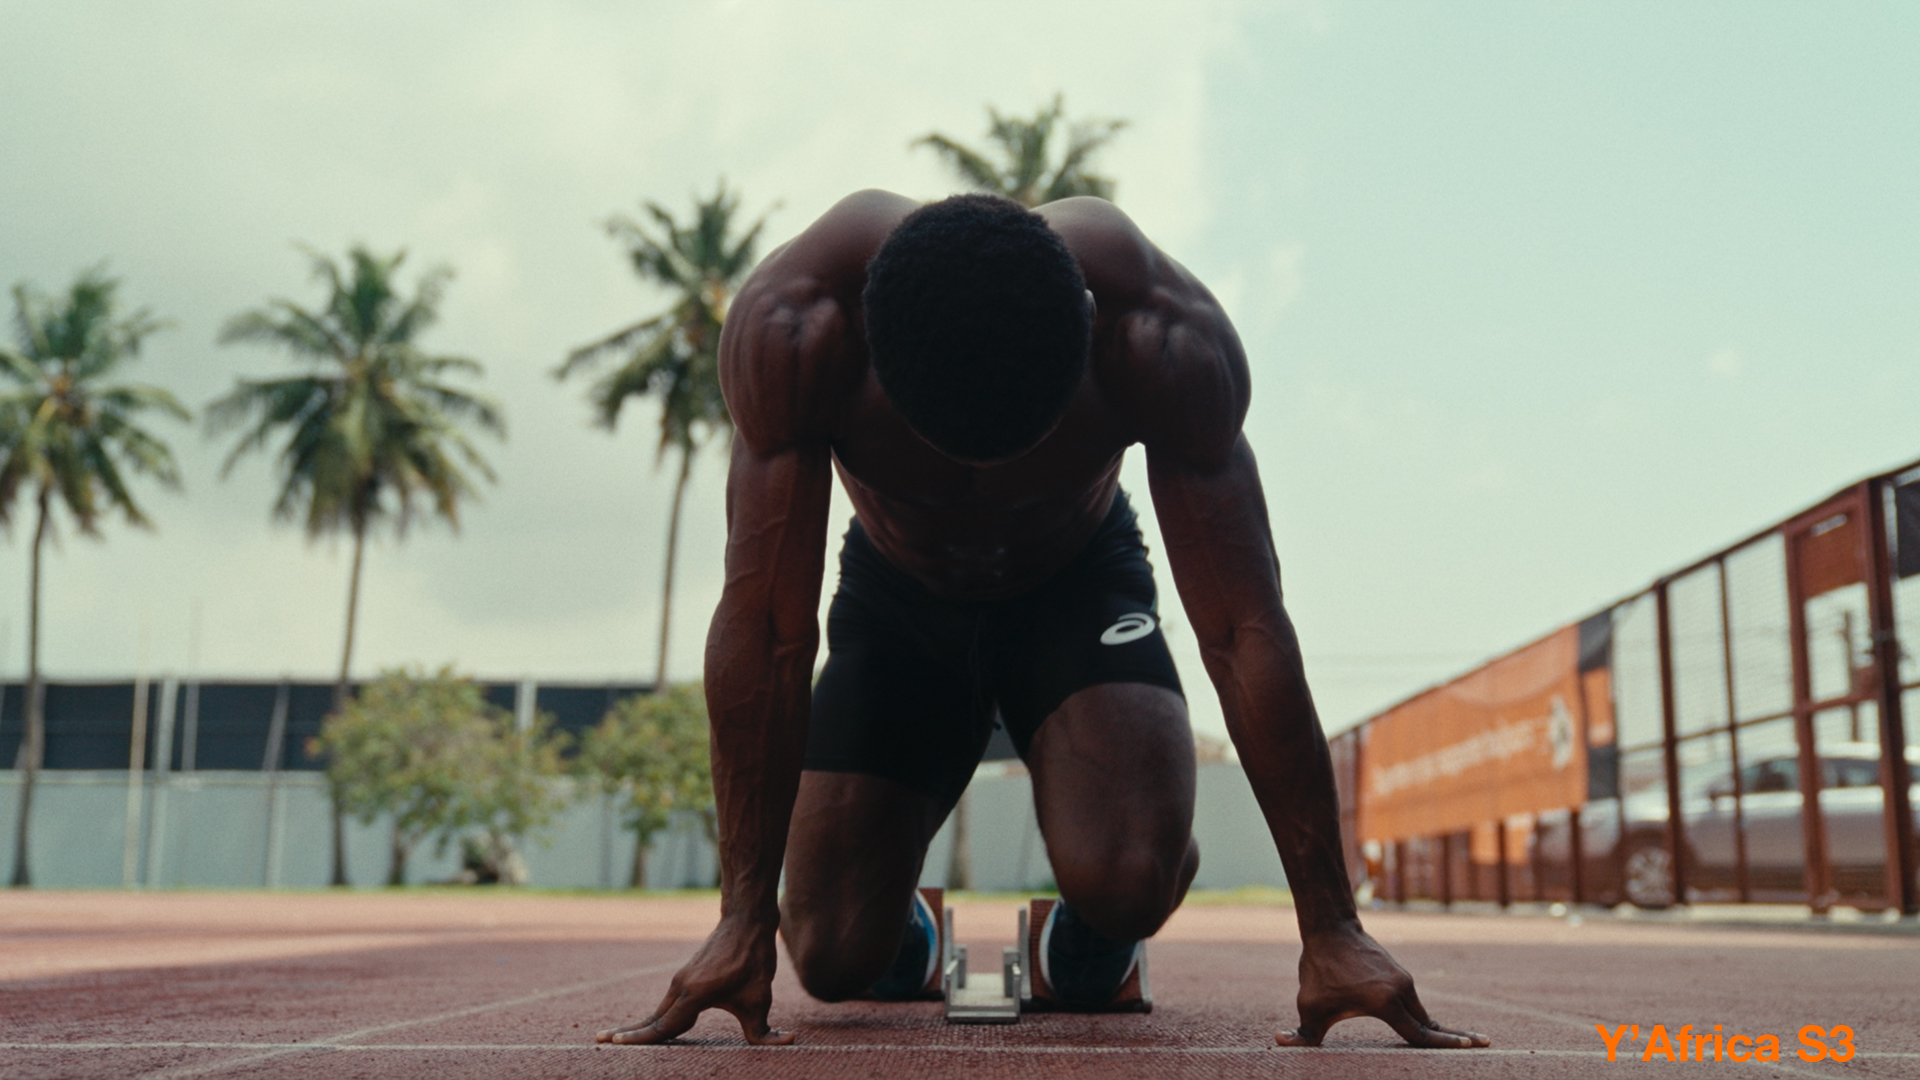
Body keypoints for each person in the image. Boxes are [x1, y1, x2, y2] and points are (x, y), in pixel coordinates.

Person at [595, 190, 1489, 1050]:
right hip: (900, 606)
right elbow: (765, 631)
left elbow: (1243, 629)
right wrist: (737, 920)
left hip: (1075, 587)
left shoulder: (1162, 334)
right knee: (828, 954)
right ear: (870, 334)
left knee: (1129, 877)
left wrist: (1332, 926)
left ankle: (1094, 942)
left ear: (1091, 319)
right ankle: (910, 933)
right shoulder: (798, 328)